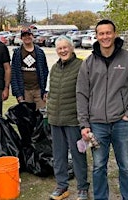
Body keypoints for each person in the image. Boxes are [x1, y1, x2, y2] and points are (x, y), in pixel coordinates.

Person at [76, 19, 128, 200]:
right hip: (97, 124)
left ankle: (127, 197)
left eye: (108, 33)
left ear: (114, 34)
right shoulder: (89, 62)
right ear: (96, 36)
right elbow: (82, 94)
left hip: (121, 124)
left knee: (126, 167)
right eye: (101, 33)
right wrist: (84, 124)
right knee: (99, 166)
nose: (105, 37)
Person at [47, 36, 89, 200]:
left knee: (78, 155)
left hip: (73, 119)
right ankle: (62, 186)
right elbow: (50, 92)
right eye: (59, 48)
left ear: (71, 48)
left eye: (65, 47)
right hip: (55, 120)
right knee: (58, 156)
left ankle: (82, 188)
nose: (63, 51)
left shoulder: (81, 66)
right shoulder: (55, 68)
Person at [11, 28, 49, 110]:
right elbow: (14, 74)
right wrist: (18, 94)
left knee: (41, 116)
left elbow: (45, 72)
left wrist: (46, 91)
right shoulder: (17, 53)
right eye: (24, 36)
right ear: (21, 38)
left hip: (39, 90)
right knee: (27, 117)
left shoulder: (39, 52)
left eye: (29, 35)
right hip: (25, 91)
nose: (27, 37)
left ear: (32, 36)